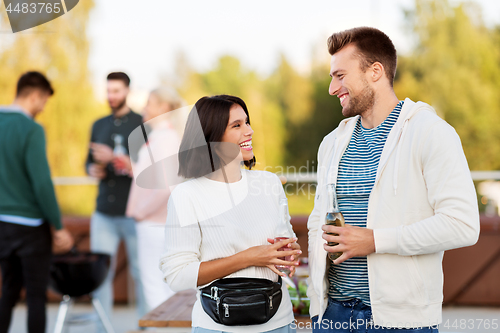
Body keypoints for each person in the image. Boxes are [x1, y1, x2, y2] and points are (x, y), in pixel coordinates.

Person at [307, 27, 480, 332]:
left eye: (340, 76)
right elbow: (317, 219)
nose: (332, 88)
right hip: (332, 316)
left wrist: (374, 241)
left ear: (375, 71)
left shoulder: (431, 132)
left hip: (401, 322)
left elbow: (462, 224)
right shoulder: (331, 143)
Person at [159, 95, 302, 333]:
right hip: (216, 327)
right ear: (212, 138)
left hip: (279, 323)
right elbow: (176, 276)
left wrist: (287, 256)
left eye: (247, 122)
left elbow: (283, 244)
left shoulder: (269, 183)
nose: (250, 131)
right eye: (237, 125)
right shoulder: (187, 195)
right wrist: (249, 258)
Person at [0, 71, 74, 333]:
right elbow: (41, 183)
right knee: (35, 297)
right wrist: (58, 226)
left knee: (7, 290)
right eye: (43, 101)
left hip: (2, 224)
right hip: (30, 227)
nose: (43, 108)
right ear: (34, 95)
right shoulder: (31, 128)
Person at [85, 72, 146, 328]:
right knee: (100, 276)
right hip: (104, 213)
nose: (111, 96)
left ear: (127, 91)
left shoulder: (143, 124)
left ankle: (147, 326)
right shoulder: (98, 124)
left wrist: (113, 158)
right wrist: (92, 169)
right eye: (108, 91)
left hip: (135, 213)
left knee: (141, 274)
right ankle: (103, 329)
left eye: (117, 91)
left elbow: (150, 169)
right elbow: (87, 162)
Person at [125, 87, 185, 311]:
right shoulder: (165, 137)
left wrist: (141, 212)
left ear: (164, 108)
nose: (144, 107)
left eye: (149, 102)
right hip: (161, 220)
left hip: (154, 221)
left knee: (154, 283)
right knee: (164, 283)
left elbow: (165, 187)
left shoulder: (163, 138)